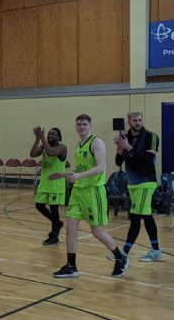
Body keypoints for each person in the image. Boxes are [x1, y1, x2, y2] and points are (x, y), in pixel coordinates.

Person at [49, 114, 128, 279]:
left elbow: (100, 168)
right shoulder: (78, 145)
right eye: (78, 124)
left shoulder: (96, 142)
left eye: (84, 124)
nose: (81, 127)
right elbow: (80, 170)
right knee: (70, 229)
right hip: (78, 192)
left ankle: (120, 257)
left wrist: (78, 176)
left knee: (96, 231)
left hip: (93, 191)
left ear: (90, 126)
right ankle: (71, 266)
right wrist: (63, 175)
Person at [114, 112, 163, 262]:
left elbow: (148, 160)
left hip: (146, 181)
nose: (138, 122)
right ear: (129, 122)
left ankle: (124, 253)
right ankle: (156, 251)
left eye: (140, 120)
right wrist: (120, 149)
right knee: (146, 216)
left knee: (135, 216)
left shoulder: (151, 136)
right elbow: (118, 162)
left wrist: (128, 147)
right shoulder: (125, 138)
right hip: (133, 183)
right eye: (134, 120)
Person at [30, 126, 67, 245]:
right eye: (49, 134)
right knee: (39, 206)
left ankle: (54, 236)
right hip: (44, 183)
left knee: (54, 210)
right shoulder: (43, 146)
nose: (50, 135)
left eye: (54, 134)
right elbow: (32, 154)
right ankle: (57, 224)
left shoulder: (62, 147)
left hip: (56, 185)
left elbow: (51, 153)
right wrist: (37, 139)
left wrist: (41, 138)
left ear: (59, 137)